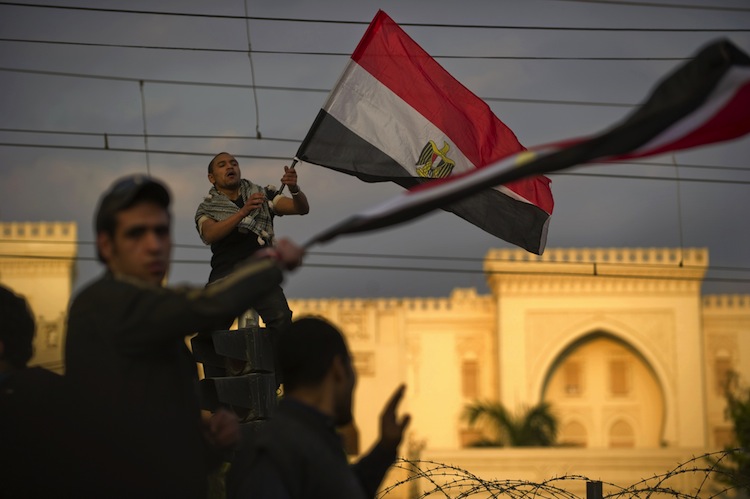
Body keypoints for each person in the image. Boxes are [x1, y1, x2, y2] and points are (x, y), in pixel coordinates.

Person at [64, 174, 305, 499]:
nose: (153, 244)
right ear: (106, 245)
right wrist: (269, 267)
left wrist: (212, 445)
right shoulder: (103, 302)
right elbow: (206, 305)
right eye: (136, 233)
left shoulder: (159, 335)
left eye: (161, 231)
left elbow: (166, 450)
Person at [226, 317, 411, 499]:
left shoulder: (309, 438)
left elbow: (340, 490)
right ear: (339, 368)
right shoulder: (277, 450)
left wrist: (384, 448)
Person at [194, 152, 309, 332]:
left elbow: (301, 208)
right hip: (225, 277)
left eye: (233, 163)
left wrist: (294, 189)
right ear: (211, 177)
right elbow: (210, 234)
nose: (230, 167)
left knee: (282, 319)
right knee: (209, 332)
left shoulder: (262, 195)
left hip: (261, 275)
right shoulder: (207, 208)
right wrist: (242, 212)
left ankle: (275, 359)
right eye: (222, 165)